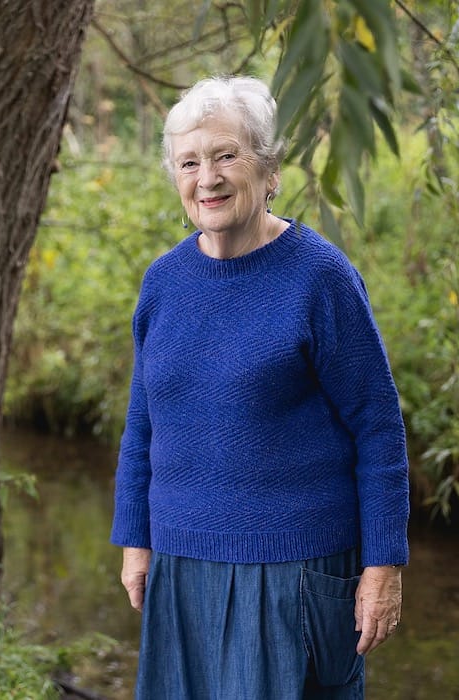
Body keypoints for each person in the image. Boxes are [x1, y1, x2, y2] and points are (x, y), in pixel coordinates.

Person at [111, 75, 410, 699]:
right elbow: (143, 422)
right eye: (189, 162)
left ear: (270, 169)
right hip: (180, 565)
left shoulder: (320, 277)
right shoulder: (163, 282)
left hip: (293, 574)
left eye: (227, 156)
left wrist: (384, 565)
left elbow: (378, 429)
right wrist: (135, 538)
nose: (208, 178)